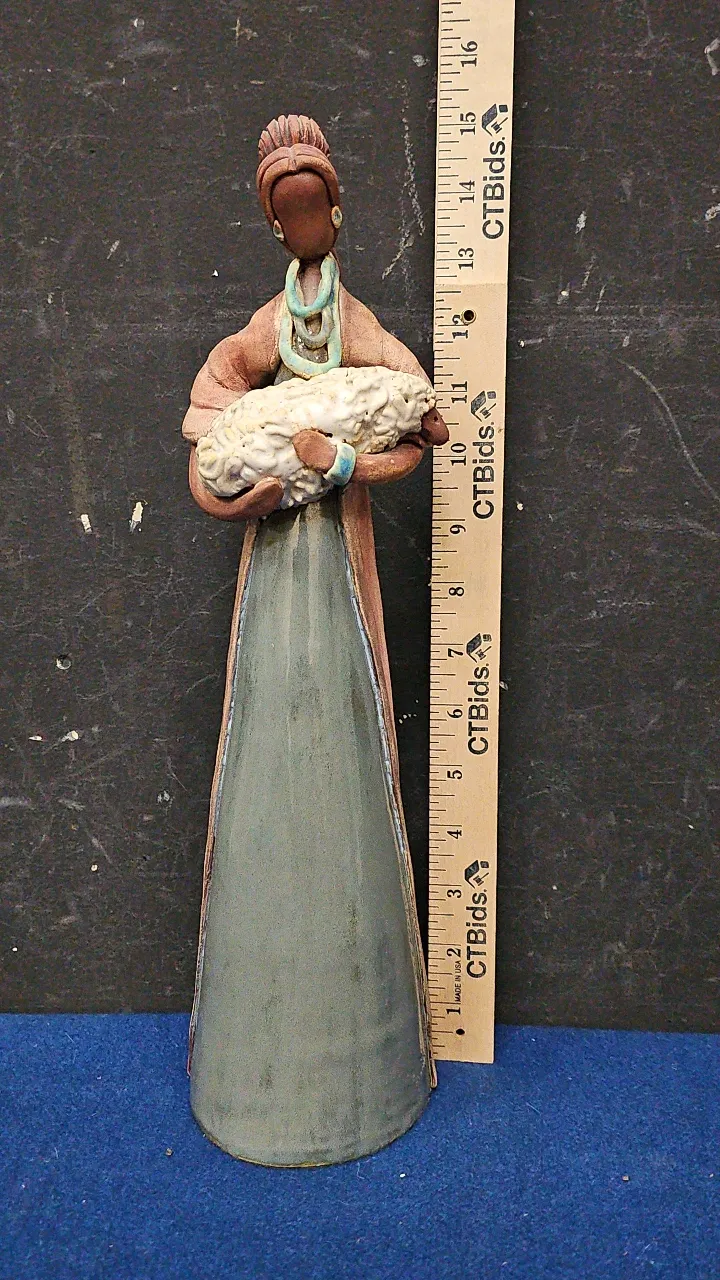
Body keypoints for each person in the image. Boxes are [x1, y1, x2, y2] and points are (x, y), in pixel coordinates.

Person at [183, 114, 448, 1167]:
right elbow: (206, 438)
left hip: (339, 568)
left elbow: (417, 432)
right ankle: (254, 1049)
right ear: (274, 225)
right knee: (262, 756)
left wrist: (342, 464)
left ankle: (362, 1055)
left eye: (313, 207)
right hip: (275, 572)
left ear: (335, 214)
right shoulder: (264, 329)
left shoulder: (356, 322)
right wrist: (243, 489)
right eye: (285, 212)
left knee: (346, 750)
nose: (302, 224)